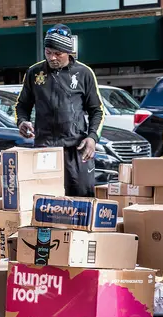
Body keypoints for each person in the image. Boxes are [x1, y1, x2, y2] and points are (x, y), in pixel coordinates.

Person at [14, 24, 105, 197]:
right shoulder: (34, 73)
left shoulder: (84, 73)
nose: (52, 58)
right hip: (44, 149)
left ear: (69, 51)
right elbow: (21, 105)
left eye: (58, 53)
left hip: (76, 149)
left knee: (81, 199)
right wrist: (21, 121)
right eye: (48, 52)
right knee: (45, 200)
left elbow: (98, 110)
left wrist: (92, 137)